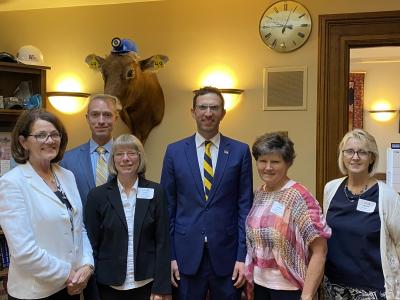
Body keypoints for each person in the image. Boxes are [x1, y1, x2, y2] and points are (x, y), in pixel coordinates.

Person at [160, 86, 253, 300]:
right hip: (185, 257)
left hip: (228, 257)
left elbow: (244, 207)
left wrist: (242, 257)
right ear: (193, 112)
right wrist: (171, 257)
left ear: (223, 113)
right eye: (202, 107)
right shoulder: (174, 152)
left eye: (214, 108)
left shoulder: (239, 151)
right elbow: (168, 208)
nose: (208, 113)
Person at [0, 109, 94, 299]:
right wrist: (69, 274)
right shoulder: (12, 182)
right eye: (40, 135)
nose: (50, 140)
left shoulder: (67, 176)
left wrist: (87, 265)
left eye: (54, 134)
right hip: (36, 292)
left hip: (71, 287)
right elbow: (24, 251)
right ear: (23, 141)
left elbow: (79, 227)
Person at [245, 132, 331, 300]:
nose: (268, 167)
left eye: (275, 162)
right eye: (262, 161)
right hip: (259, 286)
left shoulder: (298, 197)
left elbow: (320, 251)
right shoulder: (258, 194)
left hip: (289, 289)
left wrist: (307, 295)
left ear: (288, 163)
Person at [85, 134, 171, 300]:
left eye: (131, 153)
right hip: (108, 286)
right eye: (119, 154)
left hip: (146, 285)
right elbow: (91, 246)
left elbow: (163, 242)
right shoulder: (97, 196)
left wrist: (161, 287)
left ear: (139, 157)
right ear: (113, 159)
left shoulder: (156, 192)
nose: (125, 159)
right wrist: (92, 292)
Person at [323, 129, 400, 299]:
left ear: (372, 157)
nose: (355, 157)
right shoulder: (331, 189)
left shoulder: (388, 196)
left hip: (372, 290)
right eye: (349, 151)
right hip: (333, 286)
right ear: (342, 156)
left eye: (362, 152)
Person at [60, 93, 120, 209]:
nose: (101, 121)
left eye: (107, 115)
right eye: (95, 115)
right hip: (82, 226)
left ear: (115, 118)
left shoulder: (130, 157)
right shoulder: (68, 160)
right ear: (87, 118)